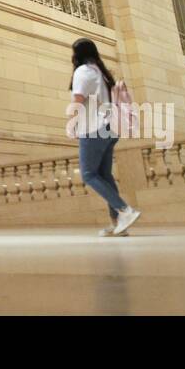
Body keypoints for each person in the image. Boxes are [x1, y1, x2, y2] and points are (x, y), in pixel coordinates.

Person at [69, 39, 140, 237]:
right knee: (105, 175)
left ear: (78, 54)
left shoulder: (82, 72)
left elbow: (78, 100)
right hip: (110, 128)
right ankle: (118, 223)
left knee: (89, 174)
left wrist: (73, 123)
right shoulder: (100, 72)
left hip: (93, 127)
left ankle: (125, 210)